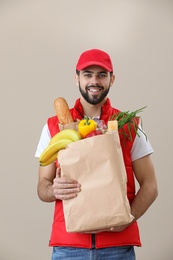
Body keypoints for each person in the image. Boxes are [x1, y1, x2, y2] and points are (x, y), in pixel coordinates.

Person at [35, 49, 158, 260]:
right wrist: (53, 189)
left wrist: (128, 218)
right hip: (68, 247)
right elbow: (42, 187)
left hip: (117, 249)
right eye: (87, 74)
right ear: (77, 78)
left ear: (112, 79)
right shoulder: (53, 126)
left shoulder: (129, 125)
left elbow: (151, 186)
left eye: (102, 74)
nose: (95, 80)